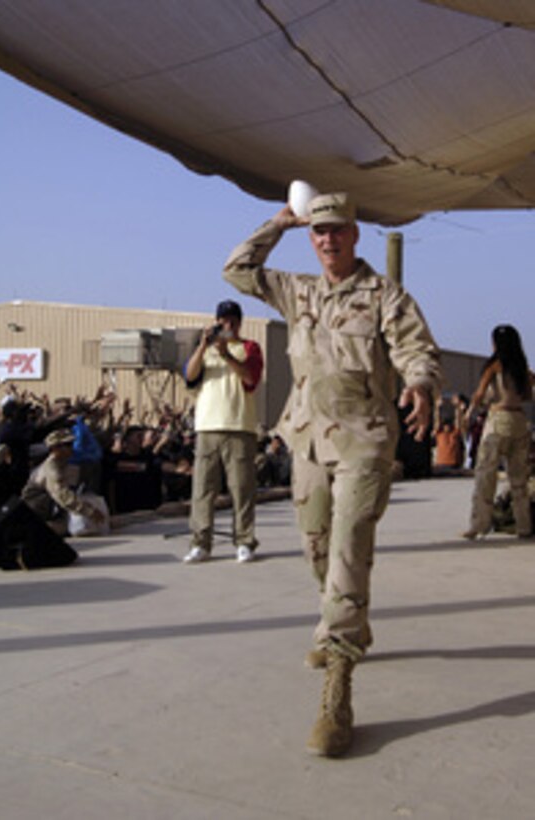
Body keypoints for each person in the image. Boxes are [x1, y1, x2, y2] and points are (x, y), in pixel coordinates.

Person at [223, 192, 442, 756]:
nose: (327, 240)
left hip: (364, 441)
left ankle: (338, 684)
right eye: (317, 232)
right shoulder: (298, 291)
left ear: (355, 233)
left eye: (337, 230)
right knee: (317, 547)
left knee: (347, 547)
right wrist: (278, 223)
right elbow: (237, 269)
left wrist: (418, 384)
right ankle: (346, 621)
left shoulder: (384, 296)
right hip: (307, 438)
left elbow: (416, 348)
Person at [182, 299, 264, 564]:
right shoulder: (204, 351)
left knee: (242, 489)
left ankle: (244, 541)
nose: (226, 325)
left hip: (239, 425)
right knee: (203, 489)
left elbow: (250, 378)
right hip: (208, 426)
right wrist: (205, 346)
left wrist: (227, 353)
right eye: (222, 320)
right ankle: (200, 543)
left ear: (239, 323)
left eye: (231, 320)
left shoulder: (249, 348)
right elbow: (190, 376)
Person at [462, 324, 533, 540]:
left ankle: (479, 525)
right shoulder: (524, 370)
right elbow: (529, 396)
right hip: (520, 421)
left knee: (485, 475)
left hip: (498, 420)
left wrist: (469, 414)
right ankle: (523, 525)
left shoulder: (494, 366)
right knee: (519, 479)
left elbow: (479, 394)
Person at [21, 428, 106, 533]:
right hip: (37, 508)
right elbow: (61, 494)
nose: (72, 448)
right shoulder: (51, 468)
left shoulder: (63, 463)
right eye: (67, 445)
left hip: (50, 508)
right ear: (55, 448)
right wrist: (88, 511)